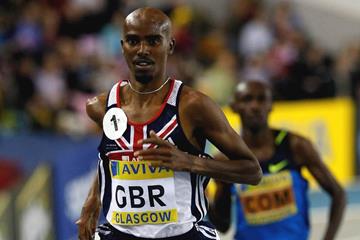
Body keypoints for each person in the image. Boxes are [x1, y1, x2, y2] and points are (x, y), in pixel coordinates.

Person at [76, 7, 262, 240]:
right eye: (133, 41)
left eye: (153, 41)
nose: (142, 50)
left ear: (170, 46)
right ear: (123, 47)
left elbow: (252, 170)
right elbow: (113, 157)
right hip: (119, 233)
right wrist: (93, 199)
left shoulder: (193, 106)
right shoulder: (100, 107)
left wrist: (190, 162)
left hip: (182, 234)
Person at [209, 80, 346, 240]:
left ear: (271, 105)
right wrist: (211, 198)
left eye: (261, 99)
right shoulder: (226, 157)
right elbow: (223, 226)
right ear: (234, 106)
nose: (255, 106)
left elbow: (338, 194)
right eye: (247, 99)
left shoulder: (296, 146)